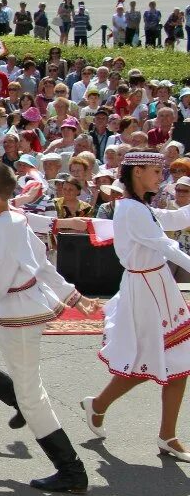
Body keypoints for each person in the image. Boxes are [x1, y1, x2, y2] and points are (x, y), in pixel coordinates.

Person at [0, 161, 96, 494]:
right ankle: (17, 399)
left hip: (19, 318)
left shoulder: (6, 224)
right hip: (6, 311)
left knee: (33, 398)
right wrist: (73, 296)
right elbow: (40, 262)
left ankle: (71, 471)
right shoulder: (11, 218)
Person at [83, 151, 190, 462]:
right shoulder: (131, 209)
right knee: (158, 357)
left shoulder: (141, 207)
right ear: (137, 172)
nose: (161, 176)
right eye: (155, 171)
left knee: (177, 359)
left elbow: (175, 219)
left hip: (155, 286)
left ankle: (166, 434)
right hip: (146, 289)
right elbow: (166, 245)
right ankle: (101, 406)